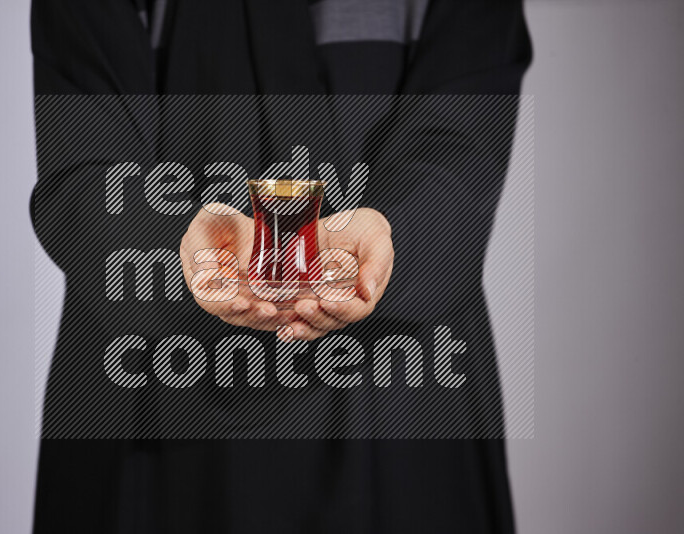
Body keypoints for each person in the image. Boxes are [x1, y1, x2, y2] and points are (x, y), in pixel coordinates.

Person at [30, 0, 532, 532]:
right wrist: (180, 249)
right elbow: (84, 165)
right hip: (153, 400)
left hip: (400, 406)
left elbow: (464, 143)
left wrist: (391, 235)